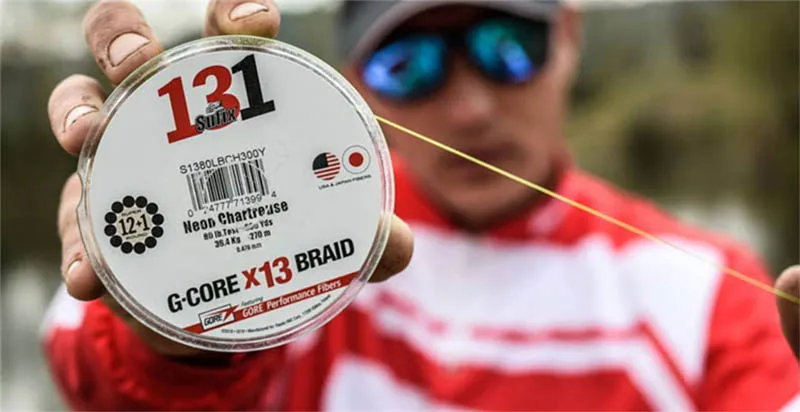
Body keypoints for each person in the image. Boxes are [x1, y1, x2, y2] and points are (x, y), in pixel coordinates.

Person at [42, 0, 800, 410]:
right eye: (410, 65)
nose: (471, 109)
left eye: (507, 47)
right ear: (356, 84)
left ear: (569, 37)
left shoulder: (713, 294)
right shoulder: (294, 248)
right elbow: (88, 371)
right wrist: (171, 328)